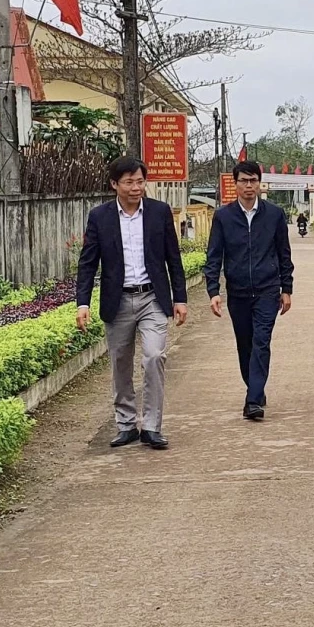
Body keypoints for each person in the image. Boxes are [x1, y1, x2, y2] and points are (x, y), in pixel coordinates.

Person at [75, 156, 189, 449]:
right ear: (115, 184)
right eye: (129, 182)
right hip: (118, 300)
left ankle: (151, 426)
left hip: (153, 297)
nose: (136, 187)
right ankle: (126, 424)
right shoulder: (100, 217)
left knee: (153, 357)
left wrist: (180, 298)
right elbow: (88, 264)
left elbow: (172, 258)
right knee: (120, 363)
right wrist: (83, 303)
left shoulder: (159, 212)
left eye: (140, 181)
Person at [203, 159, 294, 421]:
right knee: (245, 345)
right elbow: (214, 256)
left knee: (261, 342)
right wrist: (214, 290)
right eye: (244, 180)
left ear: (260, 183)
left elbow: (283, 254)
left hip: (267, 290)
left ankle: (253, 400)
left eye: (253, 180)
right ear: (235, 184)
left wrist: (286, 288)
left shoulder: (275, 214)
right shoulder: (223, 216)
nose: (249, 185)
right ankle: (256, 386)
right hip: (238, 292)